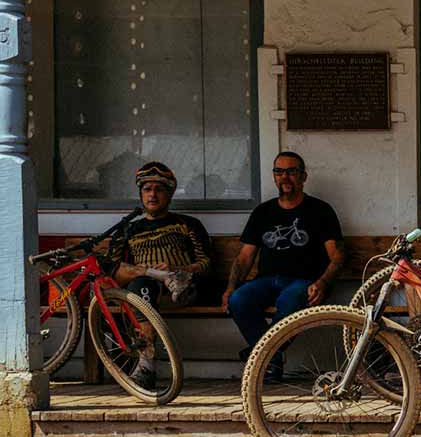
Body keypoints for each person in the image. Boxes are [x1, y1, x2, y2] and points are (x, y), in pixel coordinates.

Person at [83, 161, 211, 390]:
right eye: (147, 189)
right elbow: (111, 270)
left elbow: (206, 263)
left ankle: (145, 366)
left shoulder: (187, 224)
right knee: (140, 283)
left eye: (159, 189)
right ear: (141, 194)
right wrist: (146, 271)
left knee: (142, 286)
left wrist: (180, 269)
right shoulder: (129, 228)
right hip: (141, 291)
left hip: (181, 291)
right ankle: (146, 361)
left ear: (170, 193)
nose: (152, 194)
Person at [222, 151, 345, 369]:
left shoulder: (320, 211)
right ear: (274, 176)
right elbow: (244, 258)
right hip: (266, 281)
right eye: (279, 171)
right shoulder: (263, 212)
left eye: (291, 171)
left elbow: (337, 256)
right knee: (238, 300)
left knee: (292, 298)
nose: (284, 177)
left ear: (303, 177)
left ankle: (261, 357)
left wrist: (323, 283)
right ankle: (270, 357)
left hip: (304, 282)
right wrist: (231, 288)